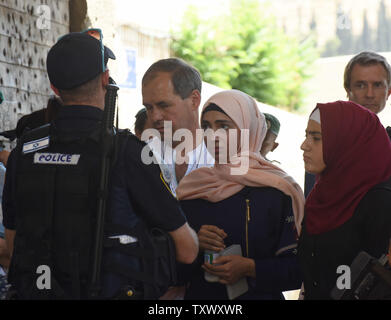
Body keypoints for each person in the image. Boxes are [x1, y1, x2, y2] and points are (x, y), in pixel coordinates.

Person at [2, 30, 198, 299]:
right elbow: (187, 250)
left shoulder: (24, 150)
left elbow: (13, 248)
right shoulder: (128, 151)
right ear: (106, 79)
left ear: (54, 88)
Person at [175, 89, 305, 300]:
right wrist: (194, 245)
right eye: (206, 126)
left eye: (224, 126)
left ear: (248, 129)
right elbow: (171, 272)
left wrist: (251, 268)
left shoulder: (278, 190)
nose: (213, 136)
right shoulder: (192, 188)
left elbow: (299, 271)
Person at [298, 100, 391, 300]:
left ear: (346, 143)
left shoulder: (379, 202)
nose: (304, 146)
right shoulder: (320, 195)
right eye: (307, 135)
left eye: (316, 138)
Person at [304, 51, 391, 197]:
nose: (369, 94)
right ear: (348, 89)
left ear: (388, 91)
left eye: (377, 85)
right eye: (360, 85)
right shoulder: (326, 140)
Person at [142, 58, 214, 196]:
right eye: (149, 108)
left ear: (194, 100)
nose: (155, 116)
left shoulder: (223, 158)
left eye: (164, 105)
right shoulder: (142, 154)